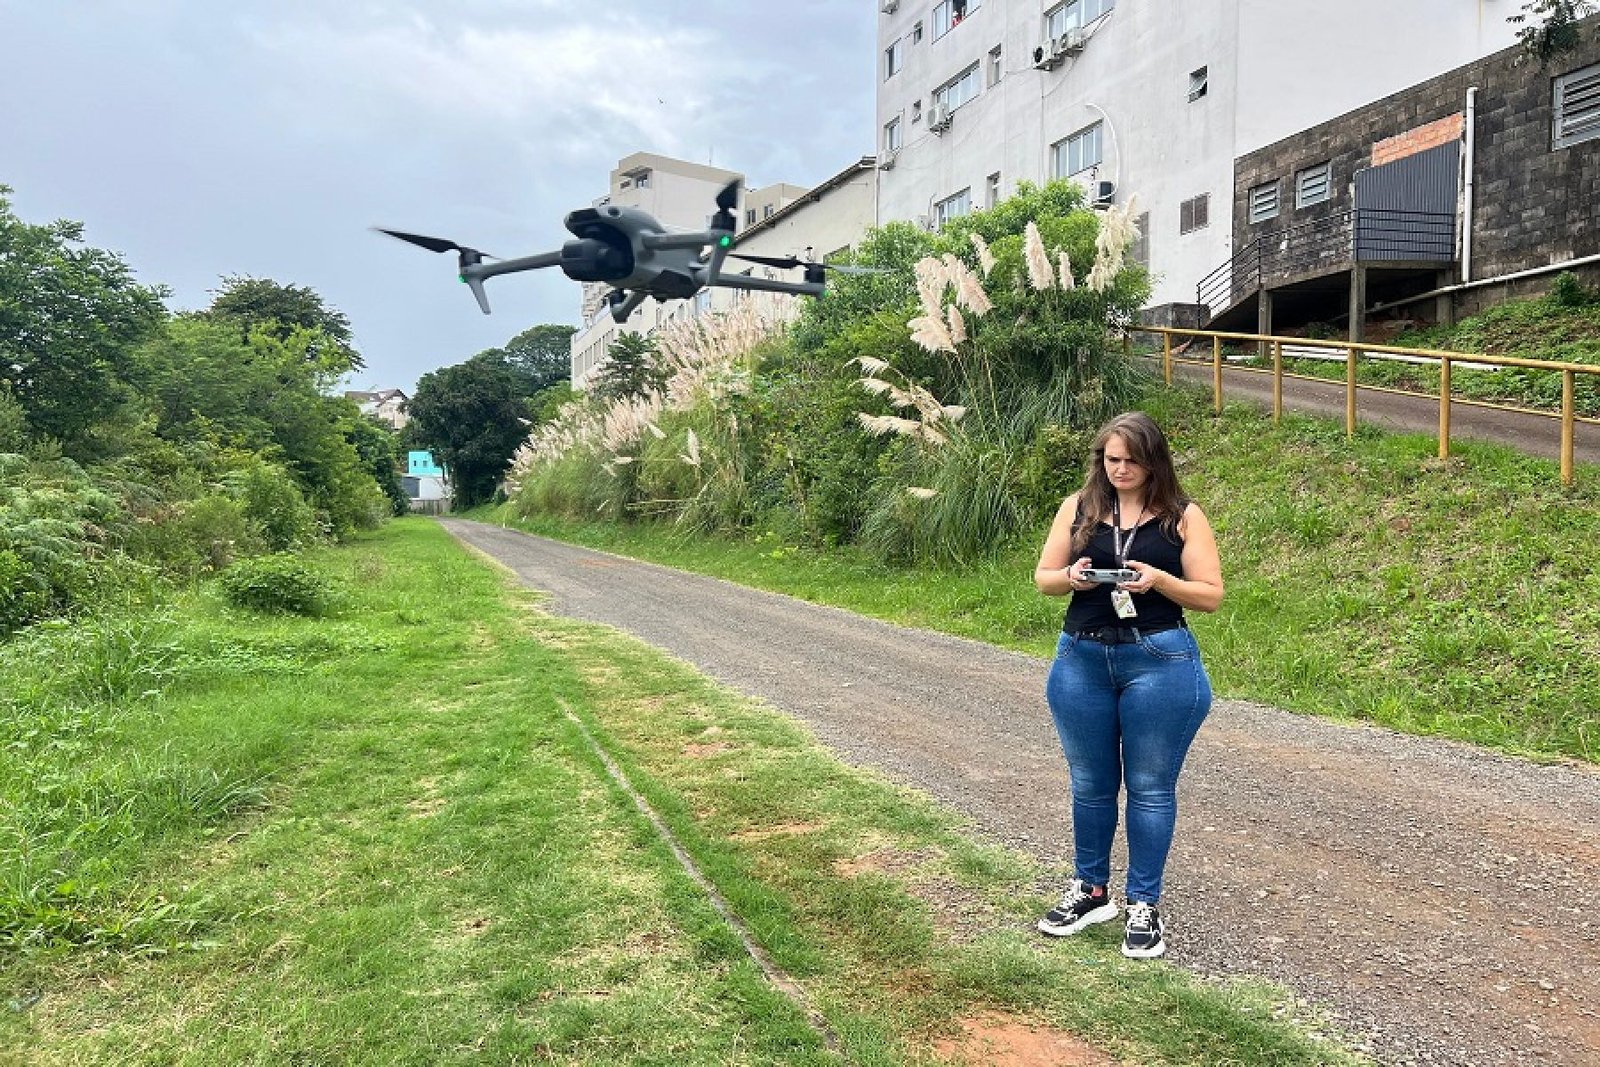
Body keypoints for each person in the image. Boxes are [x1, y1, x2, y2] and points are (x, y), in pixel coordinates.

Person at [1033, 411, 1223, 959]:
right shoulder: (1077, 507)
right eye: (1112, 459)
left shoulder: (1183, 516)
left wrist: (1160, 580)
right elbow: (1044, 578)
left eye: (1131, 461)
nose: (1120, 469)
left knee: (1150, 787)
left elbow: (1210, 594)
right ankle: (1091, 892)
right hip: (1082, 657)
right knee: (1090, 783)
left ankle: (1144, 904)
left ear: (1153, 461)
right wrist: (1071, 578)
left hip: (1158, 659)